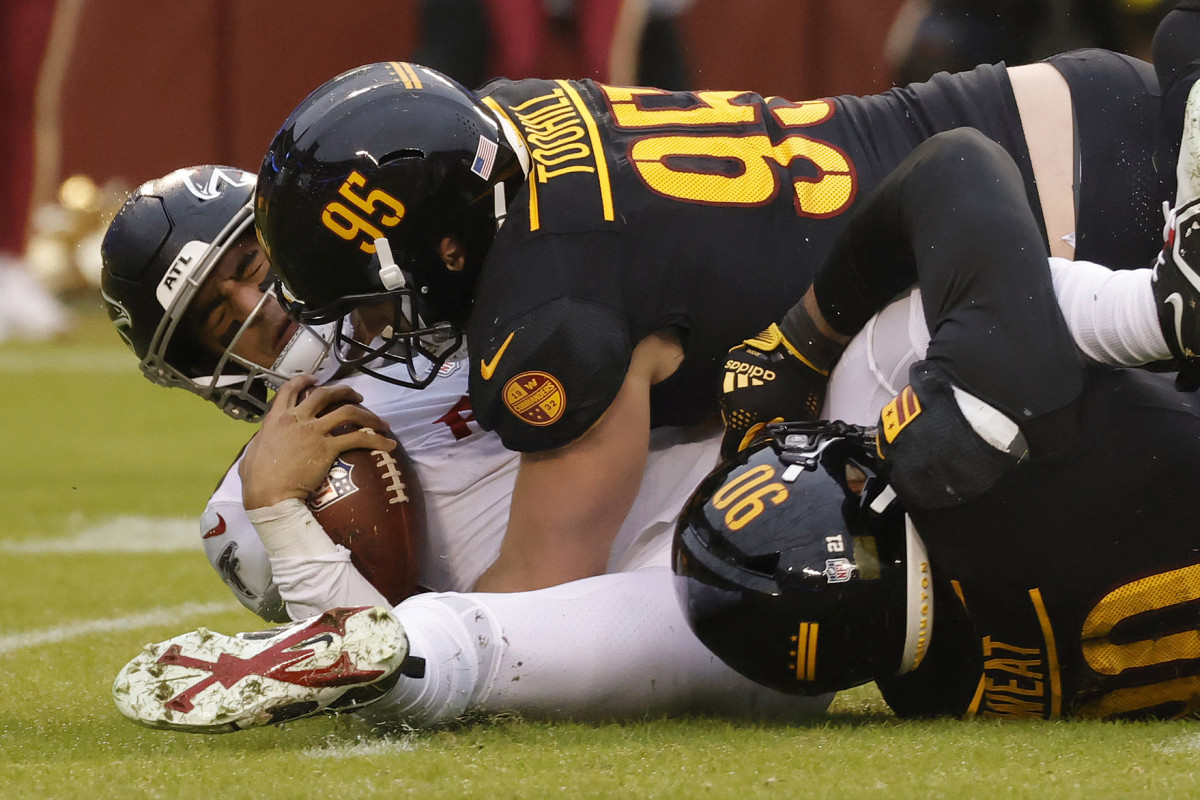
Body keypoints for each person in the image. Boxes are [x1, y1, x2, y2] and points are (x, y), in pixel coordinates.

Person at [252, 8, 1198, 593]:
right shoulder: (509, 112)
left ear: (448, 245)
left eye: (375, 302)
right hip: (1046, 112)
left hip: (1054, 221)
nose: (379, 330)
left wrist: (321, 586)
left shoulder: (550, 318)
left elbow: (542, 592)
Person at [100, 165, 830, 730]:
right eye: (213, 314)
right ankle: (447, 664)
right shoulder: (248, 503)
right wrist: (280, 514)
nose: (252, 302)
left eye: (247, 263)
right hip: (620, 597)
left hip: (769, 467)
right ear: (203, 370)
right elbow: (365, 644)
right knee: (751, 647)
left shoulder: (440, 273)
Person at [674, 80, 1200, 721]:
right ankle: (1158, 309)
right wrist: (799, 339)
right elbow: (957, 163)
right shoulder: (962, 470)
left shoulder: (936, 697)